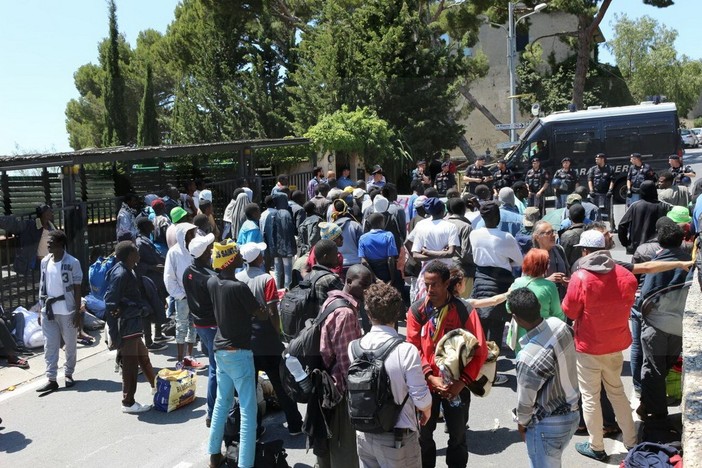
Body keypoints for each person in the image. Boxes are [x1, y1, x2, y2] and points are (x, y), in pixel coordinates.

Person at [562, 230, 638, 461]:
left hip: (588, 346)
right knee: (617, 392)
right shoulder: (626, 275)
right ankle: (632, 441)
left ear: (584, 251)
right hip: (616, 344)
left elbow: (570, 310)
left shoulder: (580, 277)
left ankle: (596, 446)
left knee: (590, 397)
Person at [406, 261, 488, 468]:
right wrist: (429, 376)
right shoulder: (417, 311)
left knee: (458, 438)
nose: (429, 290)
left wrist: (461, 383)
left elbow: (480, 351)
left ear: (446, 283)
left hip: (458, 387)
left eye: (435, 285)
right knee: (423, 437)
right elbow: (412, 348)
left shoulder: (463, 310)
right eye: (426, 285)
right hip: (426, 385)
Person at [352, 281, 432, 468]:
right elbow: (421, 399)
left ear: (368, 312)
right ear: (397, 313)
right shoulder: (406, 350)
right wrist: (427, 410)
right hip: (397, 439)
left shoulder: (354, 347)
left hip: (364, 434)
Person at [206, 240, 268, 468]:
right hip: (239, 353)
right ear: (231, 260)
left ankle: (214, 454)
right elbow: (260, 314)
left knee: (222, 403)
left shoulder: (213, 282)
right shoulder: (239, 287)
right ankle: (245, 463)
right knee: (248, 411)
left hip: (220, 350)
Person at [236, 242, 304, 436]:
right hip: (266, 339)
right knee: (281, 385)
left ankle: (254, 429)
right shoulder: (266, 279)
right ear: (258, 258)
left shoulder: (237, 278)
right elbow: (273, 311)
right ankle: (294, 425)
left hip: (246, 340)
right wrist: (277, 334)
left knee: (250, 389)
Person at [509, 288, 580, 468]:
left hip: (548, 426)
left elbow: (525, 403)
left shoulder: (527, 358)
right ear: (538, 306)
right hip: (573, 414)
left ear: (515, 318)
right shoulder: (560, 325)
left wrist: (521, 424)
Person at [314, 264, 374, 468]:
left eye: (369, 285)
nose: (367, 290)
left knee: (328, 447)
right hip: (339, 391)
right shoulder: (346, 313)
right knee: (345, 450)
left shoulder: (332, 301)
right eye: (363, 284)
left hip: (325, 383)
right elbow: (348, 364)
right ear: (348, 281)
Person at [637, 222, 692, 421]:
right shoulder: (690, 263)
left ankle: (657, 414)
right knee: (666, 366)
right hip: (679, 327)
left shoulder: (658, 263)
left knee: (653, 368)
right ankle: (647, 405)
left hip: (657, 326)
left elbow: (646, 296)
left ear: (660, 240)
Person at [104, 241, 157, 413]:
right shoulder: (120, 274)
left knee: (143, 356)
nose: (139, 254)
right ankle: (128, 402)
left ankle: (155, 387)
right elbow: (111, 303)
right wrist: (114, 335)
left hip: (132, 324)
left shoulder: (128, 270)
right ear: (129, 255)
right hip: (126, 326)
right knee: (130, 365)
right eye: (136, 251)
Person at [469, 202, 523, 350]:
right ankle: (492, 366)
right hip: (500, 282)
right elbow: (520, 261)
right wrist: (506, 261)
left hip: (480, 280)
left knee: (480, 325)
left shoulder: (474, 234)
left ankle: (480, 364)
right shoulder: (506, 237)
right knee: (497, 326)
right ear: (498, 217)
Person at [36, 230, 82, 393]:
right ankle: (51, 378)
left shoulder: (72, 262)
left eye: (51, 241)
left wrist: (77, 312)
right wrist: (40, 309)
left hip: (67, 310)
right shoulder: (45, 262)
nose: (48, 244)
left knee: (70, 344)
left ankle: (68, 373)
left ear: (60, 244)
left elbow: (77, 288)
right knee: (50, 345)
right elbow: (42, 286)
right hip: (48, 310)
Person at [182, 233, 218, 427]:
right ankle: (212, 413)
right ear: (204, 253)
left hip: (199, 325)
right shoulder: (209, 277)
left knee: (215, 363)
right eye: (209, 248)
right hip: (212, 326)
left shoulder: (188, 271)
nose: (212, 250)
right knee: (215, 368)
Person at [164, 222, 205, 369]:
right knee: (181, 327)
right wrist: (179, 294)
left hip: (195, 295)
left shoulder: (194, 249)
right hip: (182, 296)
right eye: (189, 233)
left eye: (193, 233)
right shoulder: (174, 252)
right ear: (182, 235)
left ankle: (189, 356)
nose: (192, 236)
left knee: (193, 326)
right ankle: (180, 359)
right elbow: (169, 276)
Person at [510, 249, 567, 352]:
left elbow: (509, 308)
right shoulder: (549, 286)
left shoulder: (517, 283)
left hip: (520, 335)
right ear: (545, 266)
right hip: (544, 334)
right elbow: (557, 313)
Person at [134, 215, 168, 350]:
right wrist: (152, 267)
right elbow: (138, 264)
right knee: (148, 310)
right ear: (145, 226)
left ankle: (158, 334)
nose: (153, 226)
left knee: (159, 304)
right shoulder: (140, 243)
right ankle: (149, 341)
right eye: (150, 224)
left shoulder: (147, 240)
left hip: (156, 279)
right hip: (148, 281)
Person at [0, 203, 56, 274]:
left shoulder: (52, 227)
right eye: (49, 211)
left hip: (52, 262)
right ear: (43, 214)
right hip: (38, 264)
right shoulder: (31, 226)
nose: (52, 213)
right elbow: (15, 225)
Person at [618, 180, 670, 255]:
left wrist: (626, 243)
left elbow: (622, 225)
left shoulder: (635, 206)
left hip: (637, 248)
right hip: (658, 248)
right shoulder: (664, 206)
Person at [264, 193, 297, 289]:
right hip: (286, 248)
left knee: (277, 270)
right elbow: (289, 231)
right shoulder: (286, 214)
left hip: (275, 248)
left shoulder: (271, 214)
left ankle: (278, 289)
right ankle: (287, 290)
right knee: (287, 271)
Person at [532, 220, 569, 299]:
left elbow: (568, 272)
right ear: (537, 237)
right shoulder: (532, 257)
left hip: (561, 301)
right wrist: (548, 280)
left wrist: (566, 280)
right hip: (542, 302)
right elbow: (526, 284)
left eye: (553, 232)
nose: (553, 235)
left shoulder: (559, 250)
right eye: (548, 233)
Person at [445, 198, 475, 298]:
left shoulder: (442, 224)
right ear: (463, 209)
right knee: (463, 304)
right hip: (462, 272)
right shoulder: (466, 227)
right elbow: (466, 253)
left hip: (443, 270)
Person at [358, 212, 398, 284]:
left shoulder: (363, 238)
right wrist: (392, 279)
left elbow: (363, 261)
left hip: (370, 272)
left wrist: (375, 278)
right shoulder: (388, 235)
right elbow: (390, 259)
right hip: (386, 272)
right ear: (380, 223)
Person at [333, 199, 364, 274]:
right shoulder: (355, 225)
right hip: (356, 264)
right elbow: (361, 246)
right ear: (347, 209)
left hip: (338, 265)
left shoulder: (331, 227)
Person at [586, 153, 614, 223]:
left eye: (597, 159)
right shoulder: (593, 169)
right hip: (596, 193)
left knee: (608, 211)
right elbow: (590, 180)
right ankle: (595, 225)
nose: (596, 161)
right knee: (595, 210)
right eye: (596, 159)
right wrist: (591, 191)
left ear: (602, 159)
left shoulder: (610, 168)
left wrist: (610, 190)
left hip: (606, 193)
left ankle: (612, 226)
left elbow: (612, 180)